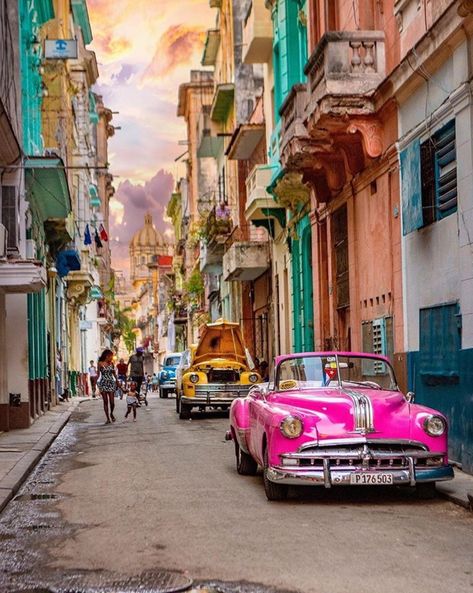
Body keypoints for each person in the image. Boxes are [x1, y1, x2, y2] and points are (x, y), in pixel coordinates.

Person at [97, 349, 117, 424]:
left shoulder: (111, 363)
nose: (111, 358)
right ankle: (108, 418)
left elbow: (114, 374)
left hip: (111, 383)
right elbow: (98, 375)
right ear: (107, 356)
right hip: (103, 383)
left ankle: (111, 413)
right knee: (105, 401)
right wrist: (97, 385)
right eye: (111, 356)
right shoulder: (100, 363)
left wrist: (117, 382)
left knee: (112, 402)